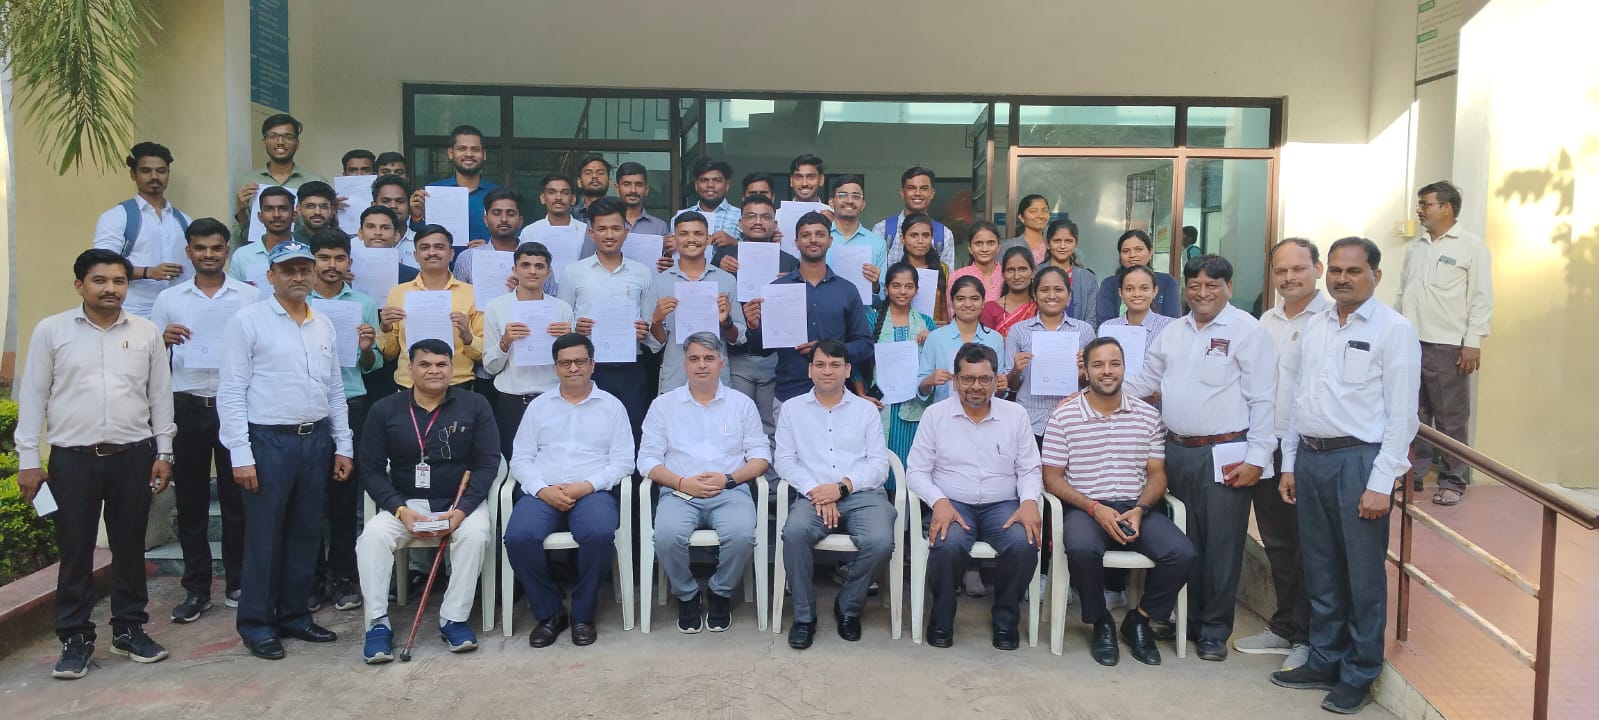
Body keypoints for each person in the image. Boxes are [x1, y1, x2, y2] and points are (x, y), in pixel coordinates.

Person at [1272, 237, 1420, 714]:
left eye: (1353, 271)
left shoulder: (1393, 330)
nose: (1342, 279)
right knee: (1319, 567)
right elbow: (1298, 398)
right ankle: (1324, 658)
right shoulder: (1315, 326)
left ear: (1376, 275)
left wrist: (1382, 482)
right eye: (1335, 270)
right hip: (1312, 459)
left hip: (1360, 462)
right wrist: (1290, 463)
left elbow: (1403, 415)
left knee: (1362, 574)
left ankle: (1359, 671)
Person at [16, 249, 176, 678]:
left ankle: (129, 629)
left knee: (130, 547)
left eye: (119, 281)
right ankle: (75, 637)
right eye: (100, 281)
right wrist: (28, 460)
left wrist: (164, 453)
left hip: (133, 457)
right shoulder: (52, 331)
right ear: (79, 285)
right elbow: (33, 396)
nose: (111, 289)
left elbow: (160, 396)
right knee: (75, 550)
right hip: (73, 460)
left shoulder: (145, 332)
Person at [1123, 254, 1275, 662]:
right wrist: (1093, 393)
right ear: (1185, 288)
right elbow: (1145, 382)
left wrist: (1258, 458)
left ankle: (1213, 629)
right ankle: (1185, 620)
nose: (1202, 293)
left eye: (1212, 285)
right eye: (1195, 285)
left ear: (1229, 287)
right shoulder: (1173, 332)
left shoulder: (1247, 330)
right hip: (1176, 451)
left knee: (1222, 545)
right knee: (1185, 541)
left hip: (1226, 453)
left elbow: (1264, 398)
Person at [217, 238, 354, 660]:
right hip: (267, 441)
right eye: (288, 270)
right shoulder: (248, 321)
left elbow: (335, 389)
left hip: (315, 439)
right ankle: (257, 624)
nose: (298, 277)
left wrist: (344, 445)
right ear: (270, 276)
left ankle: (294, 614)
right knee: (264, 535)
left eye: (303, 269)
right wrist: (240, 454)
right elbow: (231, 390)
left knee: (306, 532)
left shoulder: (323, 323)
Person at [1041, 337, 1196, 667]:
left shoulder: (1147, 415)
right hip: (1086, 507)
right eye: (1097, 365)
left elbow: (1157, 475)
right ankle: (1101, 622)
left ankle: (1139, 619)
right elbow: (1052, 478)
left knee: (1182, 553)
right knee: (1082, 549)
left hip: (1136, 506)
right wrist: (1094, 508)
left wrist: (1140, 509)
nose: (1107, 371)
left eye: (1114, 364)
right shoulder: (1064, 416)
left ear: (1125, 368)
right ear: (1085, 371)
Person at [355, 339, 500, 663]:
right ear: (410, 368)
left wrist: (461, 511)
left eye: (441, 364)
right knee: (372, 537)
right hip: (407, 504)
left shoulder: (475, 405)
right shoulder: (385, 409)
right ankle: (377, 623)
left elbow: (487, 463)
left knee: (476, 535)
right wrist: (399, 509)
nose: (434, 370)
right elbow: (371, 469)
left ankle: (453, 618)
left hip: (459, 502)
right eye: (425, 364)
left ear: (451, 368)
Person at [151, 219, 260, 621]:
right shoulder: (169, 299)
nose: (209, 255)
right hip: (187, 405)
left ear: (227, 251)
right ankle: (196, 588)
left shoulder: (249, 296)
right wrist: (162, 340)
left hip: (236, 406)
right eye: (201, 248)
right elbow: (151, 360)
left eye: (216, 248)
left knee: (237, 499)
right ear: (189, 252)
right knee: (191, 500)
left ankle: (238, 581)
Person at [905, 342, 1042, 650]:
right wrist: (938, 501)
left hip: (1002, 504)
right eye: (967, 378)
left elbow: (1030, 468)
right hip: (952, 503)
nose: (976, 386)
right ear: (955, 381)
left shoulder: (1015, 415)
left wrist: (1029, 502)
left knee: (1024, 543)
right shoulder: (936, 416)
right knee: (947, 544)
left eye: (984, 379)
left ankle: (1006, 618)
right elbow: (916, 471)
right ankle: (941, 617)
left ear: (996, 381)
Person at [503, 333, 633, 648]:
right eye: (565, 363)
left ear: (592, 364)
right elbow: (520, 458)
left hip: (592, 491)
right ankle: (549, 612)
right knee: (518, 537)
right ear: (556, 367)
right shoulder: (539, 406)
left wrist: (586, 486)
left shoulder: (612, 407)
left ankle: (583, 615)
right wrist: (541, 489)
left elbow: (624, 461)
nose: (573, 368)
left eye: (579, 361)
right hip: (543, 491)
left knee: (599, 534)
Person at [1234, 238, 1328, 668]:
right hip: (1266, 448)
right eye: (1281, 271)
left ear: (1317, 269)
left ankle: (1309, 637)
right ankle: (1286, 625)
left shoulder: (1329, 321)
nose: (1289, 278)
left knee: (1311, 548)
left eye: (1298, 269)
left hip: (1309, 450)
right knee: (1278, 545)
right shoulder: (1264, 323)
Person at [639, 332, 772, 633]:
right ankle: (687, 595)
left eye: (709, 358)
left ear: (721, 363)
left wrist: (729, 478)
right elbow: (646, 460)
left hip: (730, 491)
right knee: (666, 536)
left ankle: (720, 592)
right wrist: (681, 482)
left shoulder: (741, 404)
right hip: (679, 492)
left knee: (741, 535)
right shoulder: (664, 405)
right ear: (685, 364)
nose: (702, 365)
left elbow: (761, 456)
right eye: (695, 359)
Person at [775, 339, 895, 649]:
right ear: (810, 370)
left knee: (880, 541)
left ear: (847, 370)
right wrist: (818, 492)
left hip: (861, 494)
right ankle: (804, 617)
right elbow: (784, 460)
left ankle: (849, 605)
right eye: (820, 364)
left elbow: (879, 465)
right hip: (812, 494)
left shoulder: (866, 410)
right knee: (795, 533)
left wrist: (840, 488)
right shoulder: (792, 409)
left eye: (835, 364)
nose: (827, 371)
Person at [1400, 181, 1492, 506]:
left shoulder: (1471, 247)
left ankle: (1453, 480)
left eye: (1425, 204)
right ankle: (1413, 473)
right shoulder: (1417, 247)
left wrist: (1473, 342)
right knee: (1414, 412)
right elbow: (1404, 293)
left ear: (1447, 208)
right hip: (1412, 341)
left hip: (1449, 343)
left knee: (1450, 417)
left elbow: (1481, 298)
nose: (1419, 210)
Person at [306, 228, 383, 613]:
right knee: (308, 498)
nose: (331, 265)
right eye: (324, 257)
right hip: (307, 405)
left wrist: (366, 348)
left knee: (344, 497)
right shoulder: (300, 301)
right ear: (312, 261)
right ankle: (310, 578)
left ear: (349, 262)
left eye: (339, 258)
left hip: (351, 402)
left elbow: (372, 365)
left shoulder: (363, 303)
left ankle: (343, 577)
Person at [742, 212, 872, 406]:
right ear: (796, 242)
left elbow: (865, 345)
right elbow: (763, 350)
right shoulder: (777, 289)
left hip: (836, 396)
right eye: (806, 235)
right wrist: (754, 327)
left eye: (820, 234)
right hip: (789, 395)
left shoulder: (847, 290)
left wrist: (829, 350)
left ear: (830, 241)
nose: (813, 240)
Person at [557, 197, 655, 440]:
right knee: (588, 432)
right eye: (602, 229)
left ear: (626, 232)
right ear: (591, 233)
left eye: (615, 228)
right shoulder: (573, 272)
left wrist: (644, 330)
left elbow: (652, 327)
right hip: (589, 368)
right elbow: (561, 322)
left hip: (630, 367)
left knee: (631, 430)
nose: (609, 235)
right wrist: (575, 328)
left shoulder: (642, 273)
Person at [715, 194, 799, 438]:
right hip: (737, 356)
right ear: (740, 223)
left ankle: (769, 466)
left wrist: (791, 284)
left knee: (772, 425)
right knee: (736, 424)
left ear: (775, 224)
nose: (758, 222)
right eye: (751, 216)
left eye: (765, 217)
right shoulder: (724, 257)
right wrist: (719, 267)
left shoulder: (790, 262)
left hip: (775, 357)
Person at [482, 241, 576, 459]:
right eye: (525, 265)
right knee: (513, 462)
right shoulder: (496, 307)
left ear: (548, 272)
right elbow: (490, 367)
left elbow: (573, 364)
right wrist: (505, 342)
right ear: (515, 270)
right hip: (512, 400)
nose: (532, 271)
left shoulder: (562, 308)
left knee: (554, 461)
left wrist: (568, 340)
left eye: (539, 266)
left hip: (553, 399)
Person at [375, 226, 485, 389]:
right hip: (409, 385)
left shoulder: (472, 293)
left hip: (456, 384)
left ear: (451, 254)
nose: (432, 252)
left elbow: (484, 353)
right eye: (425, 248)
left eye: (439, 247)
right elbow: (389, 354)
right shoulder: (398, 293)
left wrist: (468, 337)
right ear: (415, 255)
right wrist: (385, 328)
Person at [92, 142, 193, 317]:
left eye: (161, 171)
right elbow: (103, 266)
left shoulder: (183, 220)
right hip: (134, 311)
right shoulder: (117, 217)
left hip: (178, 312)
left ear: (168, 174)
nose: (154, 176)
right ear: (133, 174)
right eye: (146, 171)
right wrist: (148, 272)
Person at [646, 212, 742, 394]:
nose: (691, 239)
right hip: (675, 377)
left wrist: (726, 322)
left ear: (708, 239)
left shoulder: (726, 280)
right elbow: (656, 344)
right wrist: (657, 321)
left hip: (716, 380)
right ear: (674, 239)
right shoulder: (660, 282)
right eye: (684, 234)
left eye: (698, 233)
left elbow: (738, 338)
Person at [1004, 265, 1096, 441]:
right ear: (1035, 295)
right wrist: (1016, 370)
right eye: (1044, 290)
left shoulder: (1085, 331)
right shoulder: (1018, 331)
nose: (1052, 295)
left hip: (1073, 419)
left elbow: (1091, 384)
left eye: (1058, 290)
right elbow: (1010, 386)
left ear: (1069, 296)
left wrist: (1083, 371)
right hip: (1030, 421)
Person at [860, 263, 936, 470]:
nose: (903, 291)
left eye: (909, 286)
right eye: (896, 286)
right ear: (885, 288)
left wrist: (932, 338)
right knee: (879, 462)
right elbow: (857, 362)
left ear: (916, 290)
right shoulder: (871, 320)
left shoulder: (926, 324)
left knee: (910, 461)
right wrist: (861, 395)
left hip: (915, 405)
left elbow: (934, 362)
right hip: (879, 403)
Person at [232, 113, 326, 249]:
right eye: (273, 136)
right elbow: (242, 236)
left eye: (288, 137)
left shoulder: (316, 181)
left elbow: (326, 229)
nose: (280, 142)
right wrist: (240, 211)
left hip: (306, 254)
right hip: (262, 254)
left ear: (297, 143)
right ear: (264, 141)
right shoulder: (248, 181)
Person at [920, 275, 1008, 406]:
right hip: (945, 413)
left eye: (974, 298)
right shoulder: (935, 338)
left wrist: (1001, 387)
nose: (967, 304)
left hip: (983, 413)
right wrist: (929, 380)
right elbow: (921, 389)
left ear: (983, 302)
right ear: (952, 302)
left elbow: (997, 391)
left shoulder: (995, 339)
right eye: (960, 299)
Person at [413, 125, 500, 246]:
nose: (469, 154)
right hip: (441, 258)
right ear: (450, 153)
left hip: (485, 257)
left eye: (475, 149)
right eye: (462, 149)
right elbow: (417, 238)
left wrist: (490, 248)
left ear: (484, 154)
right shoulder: (432, 193)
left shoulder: (498, 194)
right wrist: (416, 216)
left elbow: (512, 236)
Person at [874, 166, 956, 269]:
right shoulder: (882, 230)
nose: (918, 193)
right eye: (911, 188)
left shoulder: (945, 235)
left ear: (932, 193)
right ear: (902, 193)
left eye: (924, 188)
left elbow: (947, 277)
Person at [1094, 230, 1181, 323]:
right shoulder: (1109, 284)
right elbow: (1104, 323)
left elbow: (1173, 323)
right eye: (1126, 251)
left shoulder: (1168, 282)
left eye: (1138, 249)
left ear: (1150, 253)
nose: (1132, 255)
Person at [827, 174, 888, 294]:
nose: (849, 201)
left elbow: (882, 296)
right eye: (842, 195)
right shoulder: (818, 240)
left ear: (863, 204)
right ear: (831, 202)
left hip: (863, 306)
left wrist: (875, 286)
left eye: (856, 196)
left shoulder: (877, 243)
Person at [453, 187, 526, 284]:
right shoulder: (468, 258)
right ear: (486, 220)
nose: (504, 219)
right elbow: (458, 292)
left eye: (511, 214)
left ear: (520, 221)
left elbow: (547, 292)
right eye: (496, 213)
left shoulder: (537, 258)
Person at [226, 185, 295, 287]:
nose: (276, 214)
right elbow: (234, 293)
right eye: (269, 209)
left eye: (283, 209)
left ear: (294, 215)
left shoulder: (307, 253)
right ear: (260, 216)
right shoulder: (242, 256)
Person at [1097, 265, 1177, 344]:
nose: (1137, 294)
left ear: (1154, 291)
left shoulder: (1170, 327)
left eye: (1144, 288)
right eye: (1129, 289)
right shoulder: (1108, 328)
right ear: (1120, 293)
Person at [1038, 218, 1098, 324]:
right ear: (1047, 243)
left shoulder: (1088, 279)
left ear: (1076, 243)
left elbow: (1092, 319)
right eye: (1057, 241)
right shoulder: (1035, 274)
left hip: (1081, 334)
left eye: (1068, 241)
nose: (1062, 246)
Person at [675, 157, 742, 248]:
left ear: (727, 185)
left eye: (717, 181)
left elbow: (756, 250)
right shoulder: (679, 217)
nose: (710, 185)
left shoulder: (741, 216)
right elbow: (673, 252)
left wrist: (735, 243)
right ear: (696, 185)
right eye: (704, 180)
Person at [893, 213, 949, 323]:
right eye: (914, 235)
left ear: (932, 238)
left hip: (935, 330)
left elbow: (945, 308)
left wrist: (945, 326)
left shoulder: (942, 269)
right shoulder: (897, 271)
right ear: (902, 239)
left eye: (926, 235)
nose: (920, 241)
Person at [947, 221, 1005, 309]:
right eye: (978, 243)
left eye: (990, 243)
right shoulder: (957, 276)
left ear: (998, 247)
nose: (984, 249)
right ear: (970, 248)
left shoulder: (1007, 275)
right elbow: (952, 311)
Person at [982, 246, 1038, 336]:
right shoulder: (989, 309)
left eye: (1022, 270)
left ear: (1033, 273)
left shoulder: (1039, 308)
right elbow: (985, 342)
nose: (1017, 276)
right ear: (1003, 274)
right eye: (1010, 270)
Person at [372, 174, 419, 269]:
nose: (393, 206)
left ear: (409, 205)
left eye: (400, 201)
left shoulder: (422, 243)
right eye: (385, 201)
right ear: (374, 205)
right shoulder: (357, 245)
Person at [615, 161, 671, 235]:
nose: (633, 190)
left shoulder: (660, 227)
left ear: (646, 190)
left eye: (639, 185)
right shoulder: (605, 223)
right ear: (617, 188)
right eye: (627, 184)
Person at [1001, 194, 1051, 264]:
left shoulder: (1053, 245)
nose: (1041, 216)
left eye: (1044, 211)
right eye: (1033, 211)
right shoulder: (1010, 246)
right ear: (1021, 217)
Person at [571, 154, 612, 223]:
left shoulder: (620, 213)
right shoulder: (569, 215)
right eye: (588, 173)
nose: (594, 176)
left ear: (609, 181)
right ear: (579, 182)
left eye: (600, 173)